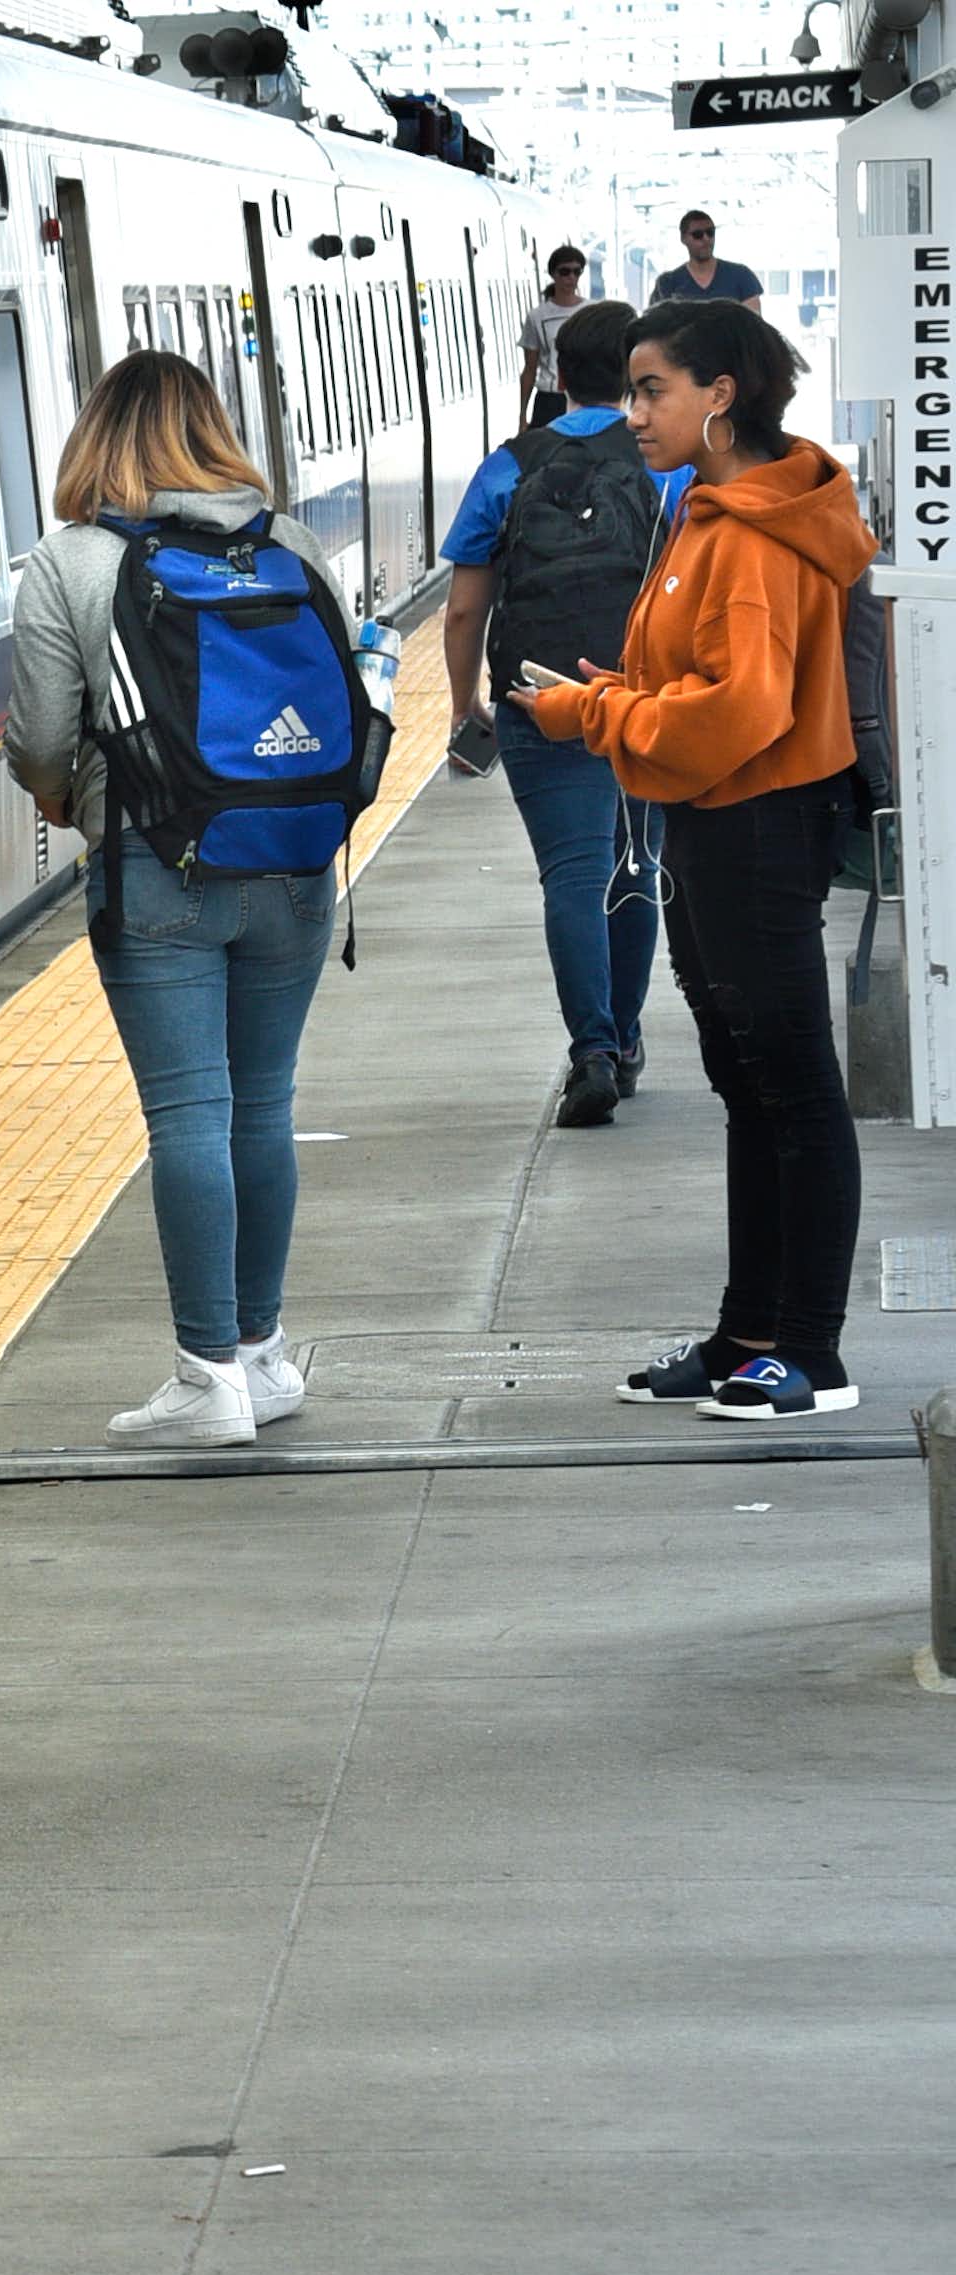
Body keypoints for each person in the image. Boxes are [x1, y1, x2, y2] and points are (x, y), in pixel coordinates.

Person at [515, 299, 874, 1418]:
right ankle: (745, 1334)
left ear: (719, 395)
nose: (630, 413)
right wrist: (617, 695)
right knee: (746, 1083)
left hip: (758, 823)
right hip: (717, 825)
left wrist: (594, 717)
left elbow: (739, 712)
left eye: (650, 389)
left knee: (791, 1086)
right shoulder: (705, 513)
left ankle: (810, 1356)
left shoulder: (751, 536)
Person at [5, 351, 352, 1448]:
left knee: (188, 1117)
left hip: (157, 865)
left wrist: (75, 801)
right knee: (264, 1104)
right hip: (296, 868)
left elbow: (42, 744)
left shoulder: (70, 563)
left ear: (93, 438)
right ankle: (260, 1356)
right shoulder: (288, 546)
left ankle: (206, 1377)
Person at [444, 299, 688, 1126]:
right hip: (642, 697)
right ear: (636, 376)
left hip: (539, 700)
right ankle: (621, 1040)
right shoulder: (668, 464)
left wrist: (462, 706)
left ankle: (589, 1048)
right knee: (636, 866)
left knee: (572, 876)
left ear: (555, 373)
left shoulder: (506, 467)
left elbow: (463, 611)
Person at [517, 245, 589, 430]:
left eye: (576, 272)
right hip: (549, 399)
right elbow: (530, 368)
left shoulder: (591, 312)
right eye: (565, 272)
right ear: (553, 274)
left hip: (584, 396)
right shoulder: (537, 316)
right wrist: (522, 415)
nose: (571, 277)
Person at [649, 212, 765, 313]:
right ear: (683, 238)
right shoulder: (667, 283)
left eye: (710, 233)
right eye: (697, 235)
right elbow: (655, 329)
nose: (706, 239)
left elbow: (754, 327)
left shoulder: (742, 275)